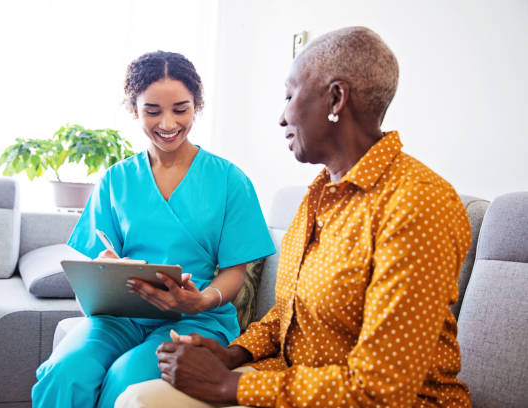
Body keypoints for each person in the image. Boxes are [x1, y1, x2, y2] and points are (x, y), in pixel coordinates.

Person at [116, 27, 472, 407]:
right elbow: (288, 316)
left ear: (336, 98)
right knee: (139, 399)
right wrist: (231, 355)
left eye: (289, 96)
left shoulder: (417, 204)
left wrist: (228, 385)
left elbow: (381, 388)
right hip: (289, 380)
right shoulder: (317, 196)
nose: (282, 117)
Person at [31, 51, 276, 408]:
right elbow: (100, 253)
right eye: (152, 111)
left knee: (124, 380)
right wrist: (107, 264)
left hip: (197, 319)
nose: (167, 123)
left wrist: (202, 299)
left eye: (180, 109)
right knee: (64, 373)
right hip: (122, 316)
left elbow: (235, 271)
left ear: (197, 106)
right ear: (135, 109)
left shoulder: (229, 181)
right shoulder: (116, 179)